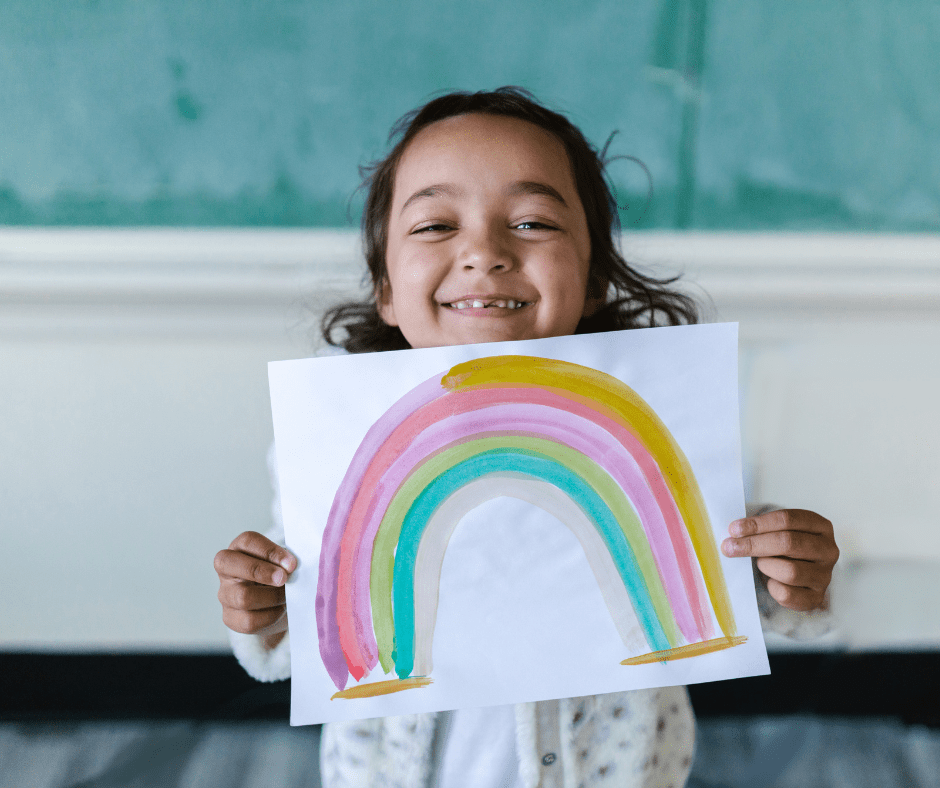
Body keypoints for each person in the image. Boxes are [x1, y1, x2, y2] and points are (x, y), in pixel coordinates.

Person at [214, 87, 839, 787]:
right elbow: (314, 622)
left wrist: (783, 575)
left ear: (595, 276)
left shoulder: (661, 423)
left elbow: (709, 579)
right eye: (433, 226)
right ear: (386, 288)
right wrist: (264, 609)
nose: (484, 251)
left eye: (534, 221)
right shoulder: (337, 436)